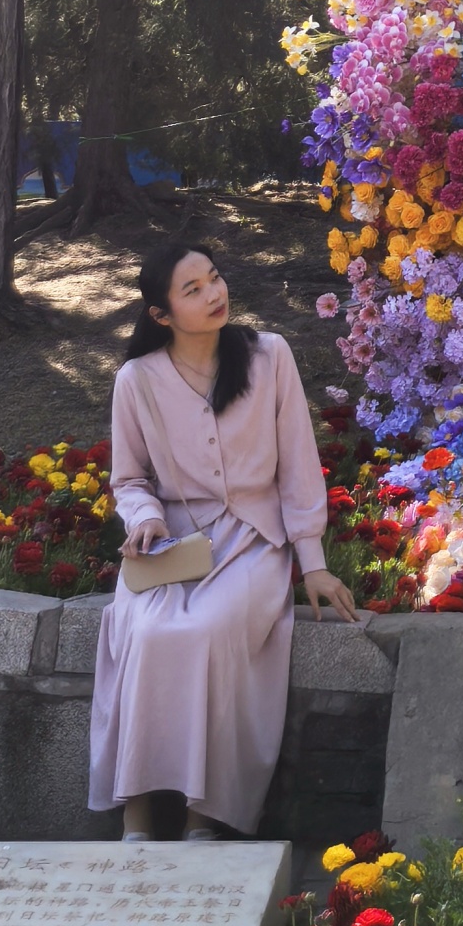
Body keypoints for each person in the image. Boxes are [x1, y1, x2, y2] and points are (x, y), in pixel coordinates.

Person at [90, 241, 356, 841]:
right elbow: (129, 480)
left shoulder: (269, 357)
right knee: (150, 631)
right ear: (161, 315)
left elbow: (297, 463)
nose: (214, 295)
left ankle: (201, 817)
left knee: (209, 632)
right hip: (172, 547)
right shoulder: (137, 380)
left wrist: (311, 561)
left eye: (214, 278)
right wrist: (144, 518)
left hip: (255, 542)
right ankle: (136, 817)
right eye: (193, 290)